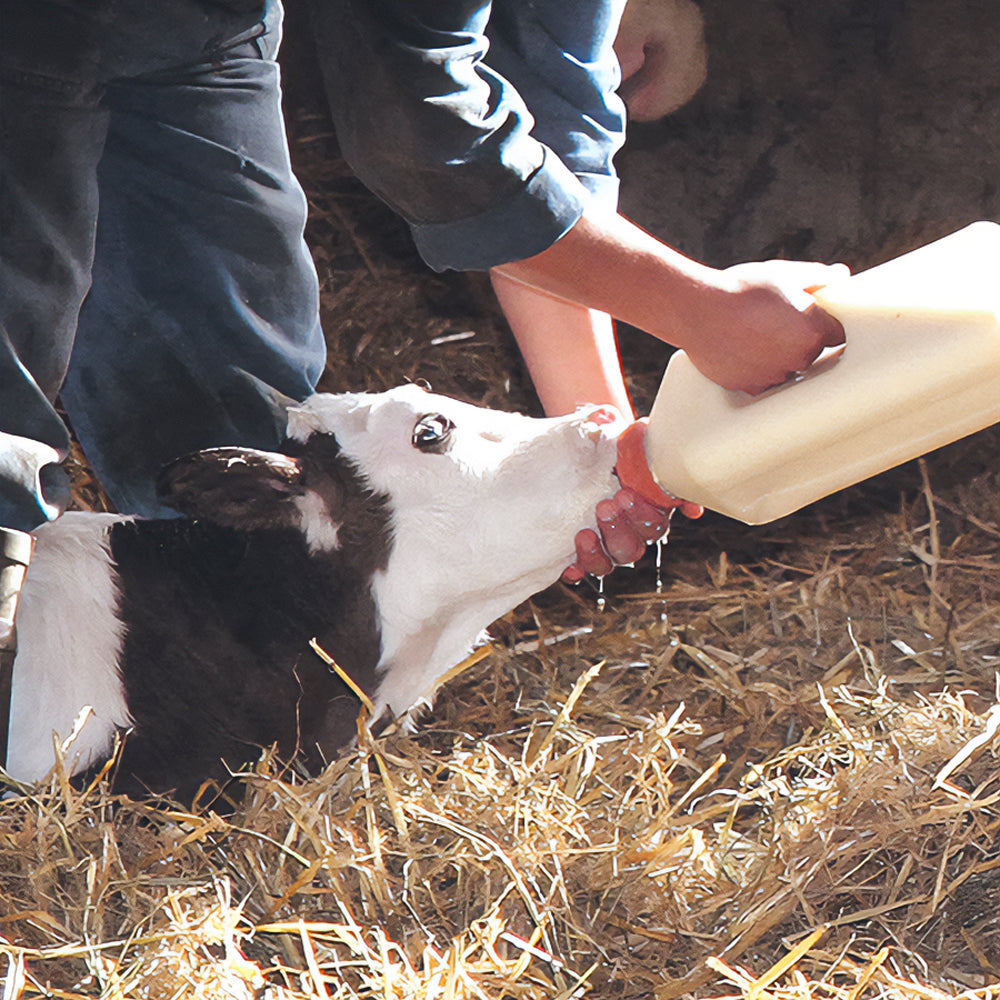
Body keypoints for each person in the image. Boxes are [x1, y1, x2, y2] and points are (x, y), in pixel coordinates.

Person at [0, 0, 845, 710]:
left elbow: (552, 135)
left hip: (201, 28)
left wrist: (609, 456)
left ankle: (185, 754)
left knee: (236, 403)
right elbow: (423, 126)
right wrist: (699, 310)